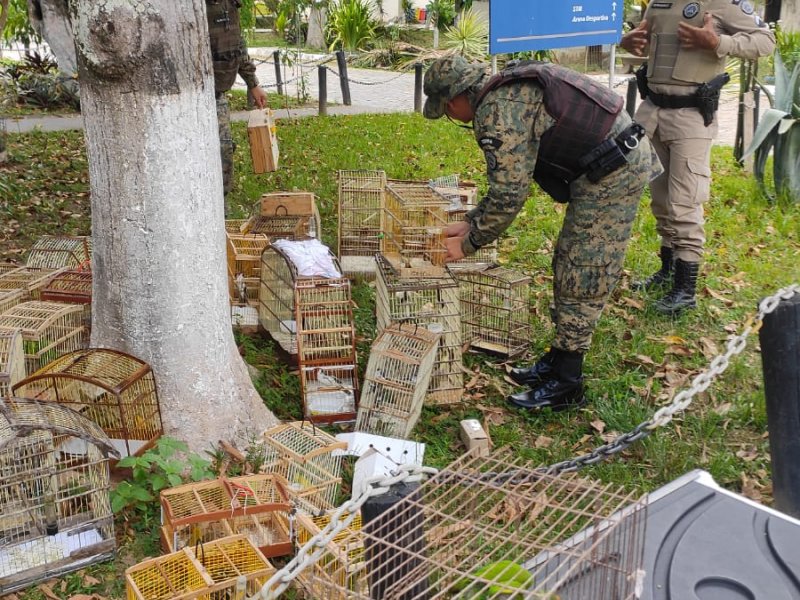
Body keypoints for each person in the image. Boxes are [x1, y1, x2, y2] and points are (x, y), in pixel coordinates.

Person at [423, 56, 663, 412]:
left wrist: (469, 243)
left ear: (457, 97)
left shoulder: (497, 112)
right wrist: (472, 220)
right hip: (607, 159)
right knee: (567, 260)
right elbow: (509, 180)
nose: (449, 116)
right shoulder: (504, 90)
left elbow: (510, 195)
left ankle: (568, 382)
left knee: (582, 269)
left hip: (615, 171)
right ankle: (558, 359)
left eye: (445, 109)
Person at [621, 2, 774, 314]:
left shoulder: (722, 4)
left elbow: (765, 41)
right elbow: (646, 43)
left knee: (684, 202)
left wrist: (719, 43)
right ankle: (667, 272)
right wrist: (629, 43)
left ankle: (685, 290)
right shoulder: (659, 3)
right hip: (652, 112)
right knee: (661, 201)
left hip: (690, 116)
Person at [207, 0, 267, 209]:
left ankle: (220, 211)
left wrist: (253, 84)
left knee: (224, 152)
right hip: (196, 95)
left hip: (218, 94)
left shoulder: (230, 5)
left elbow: (237, 46)